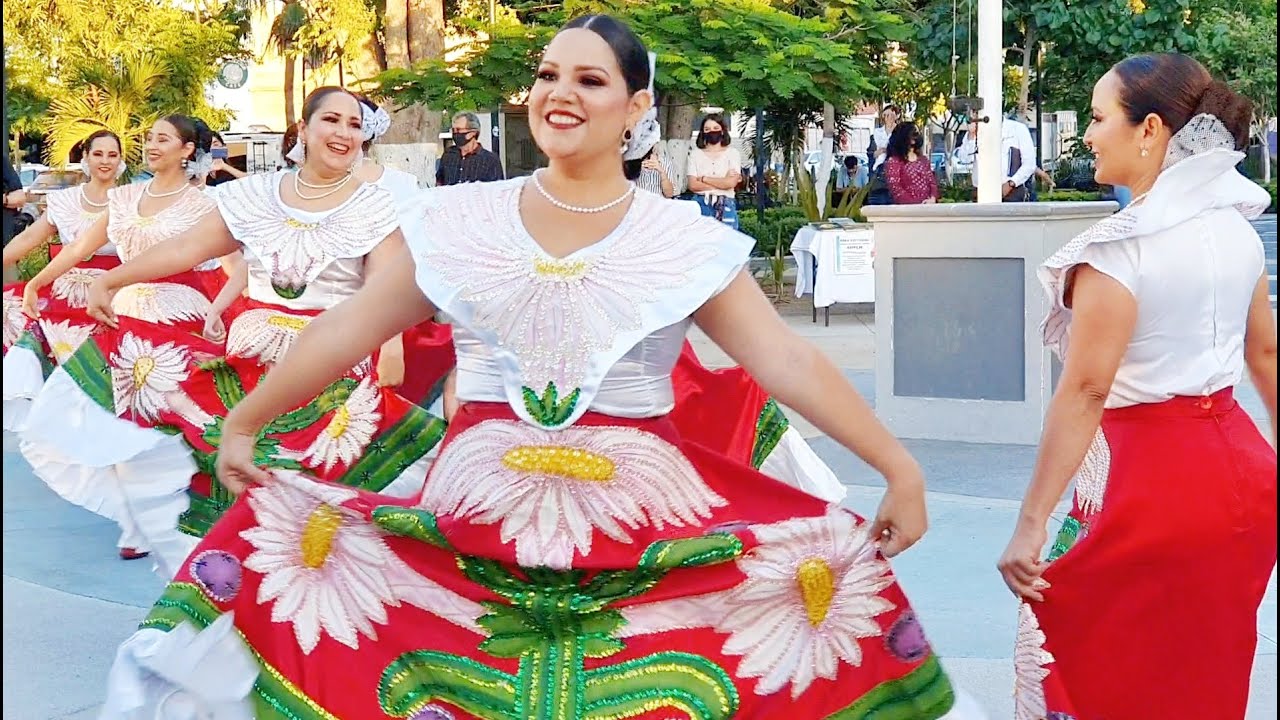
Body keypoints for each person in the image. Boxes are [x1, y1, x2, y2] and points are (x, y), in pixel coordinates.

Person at [97, 16, 976, 719]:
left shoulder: (684, 240)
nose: (561, 93)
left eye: (591, 80)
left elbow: (783, 355)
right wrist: (248, 420)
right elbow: (357, 324)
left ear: (636, 109)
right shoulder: (457, 220)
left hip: (640, 526)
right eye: (549, 75)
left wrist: (897, 467)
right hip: (475, 520)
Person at [998, 53, 1276, 719]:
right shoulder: (1236, 229)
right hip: (1243, 477)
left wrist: (1030, 522)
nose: (1087, 136)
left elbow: (1087, 390)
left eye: (1097, 119)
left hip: (1146, 485)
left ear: (1150, 130)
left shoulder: (1119, 252)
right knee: (1203, 671)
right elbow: (1264, 352)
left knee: (1074, 656)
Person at [78, 87, 451, 580]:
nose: (343, 133)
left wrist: (390, 348)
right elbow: (186, 247)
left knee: (311, 507)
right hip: (248, 367)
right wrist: (111, 277)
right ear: (305, 128)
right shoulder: (254, 195)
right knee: (233, 496)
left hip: (330, 368)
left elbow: (385, 288)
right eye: (332, 121)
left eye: (355, 125)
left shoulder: (378, 206)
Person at [15, 115, 227, 563]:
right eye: (149, 139)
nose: (151, 146)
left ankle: (172, 513)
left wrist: (221, 308)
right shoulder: (126, 196)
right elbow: (79, 249)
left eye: (163, 139)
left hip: (178, 321)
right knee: (113, 419)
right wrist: (39, 282)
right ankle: (137, 520)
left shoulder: (204, 203)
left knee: (170, 425)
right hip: (122, 318)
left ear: (187, 150)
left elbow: (235, 266)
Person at [2, 130, 126, 432]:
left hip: (114, 290)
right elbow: (31, 237)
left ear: (121, 161)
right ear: (85, 158)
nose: (105, 161)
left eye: (112, 155)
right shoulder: (65, 200)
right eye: (98, 154)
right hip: (63, 290)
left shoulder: (131, 200)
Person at [956, 113, 1037, 201]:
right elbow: (964, 159)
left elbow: (1029, 164)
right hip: (981, 193)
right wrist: (971, 136)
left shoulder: (1017, 129)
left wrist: (1011, 183)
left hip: (1010, 192)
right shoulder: (976, 131)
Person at [687, 112, 742, 228]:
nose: (711, 131)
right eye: (707, 129)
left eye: (716, 128)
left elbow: (731, 183)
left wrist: (703, 179)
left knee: (727, 242)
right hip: (700, 203)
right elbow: (693, 185)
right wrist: (722, 182)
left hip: (725, 203)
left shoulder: (733, 154)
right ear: (702, 132)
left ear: (722, 131)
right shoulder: (695, 155)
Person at [435, 111, 505, 186]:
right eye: (453, 130)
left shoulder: (490, 160)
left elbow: (497, 190)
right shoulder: (448, 155)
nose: (455, 133)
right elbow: (439, 182)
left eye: (458, 130)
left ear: (473, 132)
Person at [884, 122, 939, 205]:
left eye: (917, 133)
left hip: (928, 207)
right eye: (912, 133)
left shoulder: (923, 160)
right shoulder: (894, 162)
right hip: (907, 210)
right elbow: (896, 189)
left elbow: (932, 183)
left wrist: (932, 198)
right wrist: (916, 204)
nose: (915, 136)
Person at [869, 104, 901, 171]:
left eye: (890, 115)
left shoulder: (901, 132)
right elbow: (871, 153)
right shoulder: (877, 132)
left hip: (896, 169)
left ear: (897, 116)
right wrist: (879, 152)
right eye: (885, 115)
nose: (887, 117)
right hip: (879, 168)